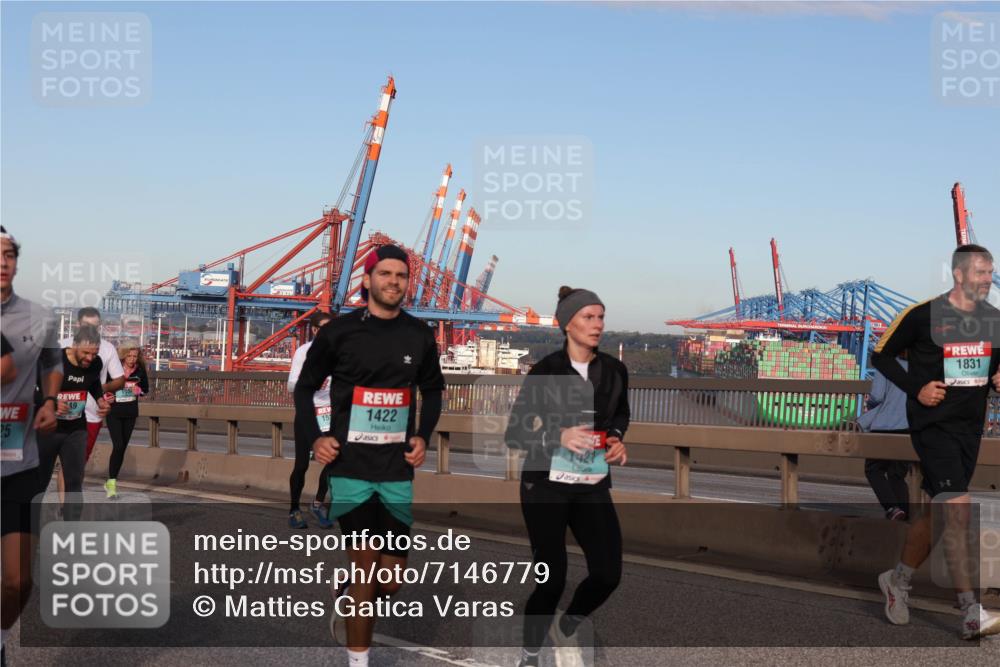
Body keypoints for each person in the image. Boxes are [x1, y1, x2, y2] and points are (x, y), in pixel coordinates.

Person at [295, 244, 444, 667]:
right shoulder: (339, 333)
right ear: (367, 280)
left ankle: (344, 595)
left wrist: (423, 435)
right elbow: (305, 387)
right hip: (351, 468)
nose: (394, 281)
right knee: (367, 568)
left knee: (391, 581)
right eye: (385, 274)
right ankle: (358, 661)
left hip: (396, 469)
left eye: (401, 275)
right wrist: (315, 438)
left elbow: (432, 389)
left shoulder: (418, 335)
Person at [873, 243, 1000, 639]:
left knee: (939, 512)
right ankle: (970, 612)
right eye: (981, 273)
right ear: (959, 274)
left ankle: (898, 582)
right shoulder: (922, 315)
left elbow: (995, 364)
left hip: (969, 430)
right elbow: (881, 355)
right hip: (932, 427)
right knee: (958, 512)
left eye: (990, 273)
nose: (987, 280)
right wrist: (917, 388)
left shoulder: (994, 319)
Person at [505, 286, 629, 667]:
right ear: (567, 324)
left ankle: (569, 623)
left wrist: (615, 440)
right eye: (589, 317)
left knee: (608, 574)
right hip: (545, 485)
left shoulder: (614, 370)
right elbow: (516, 433)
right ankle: (529, 654)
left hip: (591, 483)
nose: (598, 325)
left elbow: (620, 416)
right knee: (552, 580)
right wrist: (556, 435)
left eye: (601, 317)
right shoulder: (546, 371)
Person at [1, 226, 62, 663]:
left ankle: (0, 638)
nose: (2, 262)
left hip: (16, 459)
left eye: (8, 254)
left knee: (18, 580)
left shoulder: (40, 315)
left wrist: (52, 399)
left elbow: (52, 360)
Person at [39, 325, 110, 521]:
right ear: (74, 345)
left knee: (74, 482)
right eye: (86, 353)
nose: (89, 358)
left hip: (75, 429)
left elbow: (93, 382)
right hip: (48, 430)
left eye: (94, 354)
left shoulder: (95, 364)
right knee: (39, 482)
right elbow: (30, 387)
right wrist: (50, 401)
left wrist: (100, 399)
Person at [287, 310, 334, 528]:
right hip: (308, 413)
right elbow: (291, 385)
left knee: (334, 463)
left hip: (330, 413)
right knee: (302, 465)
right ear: (315, 330)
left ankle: (317, 503)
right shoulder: (303, 352)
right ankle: (294, 509)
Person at [59, 307, 124, 462]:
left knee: (75, 465)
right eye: (86, 326)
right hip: (59, 413)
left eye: (94, 326)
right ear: (77, 325)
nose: (90, 357)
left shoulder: (106, 350)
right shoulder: (60, 346)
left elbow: (119, 380)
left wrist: (101, 394)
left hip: (90, 415)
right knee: (44, 470)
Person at [858, 358, 910, 521]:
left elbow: (877, 396)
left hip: (886, 425)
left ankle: (892, 508)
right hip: (910, 426)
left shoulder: (886, 362)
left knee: (873, 469)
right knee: (897, 474)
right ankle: (905, 513)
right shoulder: (920, 362)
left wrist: (870, 403)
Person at [104, 340, 150, 499]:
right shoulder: (113, 368)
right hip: (114, 411)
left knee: (122, 447)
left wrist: (139, 390)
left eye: (135, 356)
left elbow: (146, 389)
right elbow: (104, 386)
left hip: (130, 412)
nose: (132, 359)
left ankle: (112, 481)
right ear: (123, 356)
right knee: (118, 445)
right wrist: (106, 396)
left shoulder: (140, 370)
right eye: (129, 355)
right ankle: (111, 483)